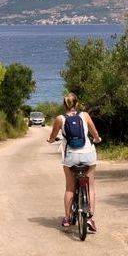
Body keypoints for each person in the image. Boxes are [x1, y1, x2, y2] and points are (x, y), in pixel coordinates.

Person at [47, 93, 102, 231]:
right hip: (88, 155)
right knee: (90, 187)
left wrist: (51, 140)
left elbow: (52, 137)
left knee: (70, 188)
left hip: (71, 157)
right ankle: (90, 219)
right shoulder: (85, 115)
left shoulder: (60, 119)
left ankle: (67, 218)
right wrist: (97, 139)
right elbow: (94, 133)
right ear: (77, 104)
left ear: (64, 105)